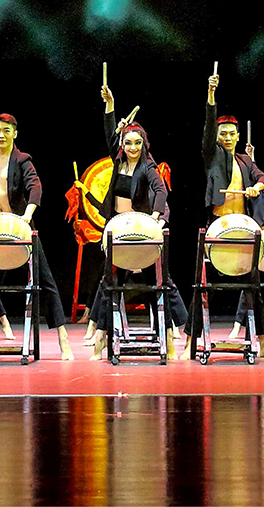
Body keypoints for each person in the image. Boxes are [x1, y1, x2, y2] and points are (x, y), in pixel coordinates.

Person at [0, 69, 76, 359]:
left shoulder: (23, 160)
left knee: (45, 282)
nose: (0, 135)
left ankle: (63, 339)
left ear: (15, 133)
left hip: (19, 228)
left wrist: (27, 215)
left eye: (6, 131)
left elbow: (35, 187)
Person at [83, 83, 184, 359]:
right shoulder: (117, 162)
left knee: (158, 286)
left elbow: (160, 190)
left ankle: (171, 341)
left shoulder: (147, 165)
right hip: (117, 231)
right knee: (109, 285)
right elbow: (109, 135)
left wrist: (155, 217)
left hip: (140, 231)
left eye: (137, 143)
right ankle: (100, 344)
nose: (132, 147)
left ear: (144, 144)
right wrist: (110, 106)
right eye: (128, 143)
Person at [203, 70, 264, 340]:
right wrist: (211, 95)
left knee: (252, 287)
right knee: (203, 286)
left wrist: (257, 188)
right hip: (218, 227)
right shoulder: (213, 155)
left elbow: (263, 178)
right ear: (217, 136)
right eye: (223, 134)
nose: (227, 138)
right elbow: (209, 126)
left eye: (231, 134)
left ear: (238, 136)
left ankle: (262, 342)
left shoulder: (245, 161)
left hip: (242, 227)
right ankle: (194, 339)